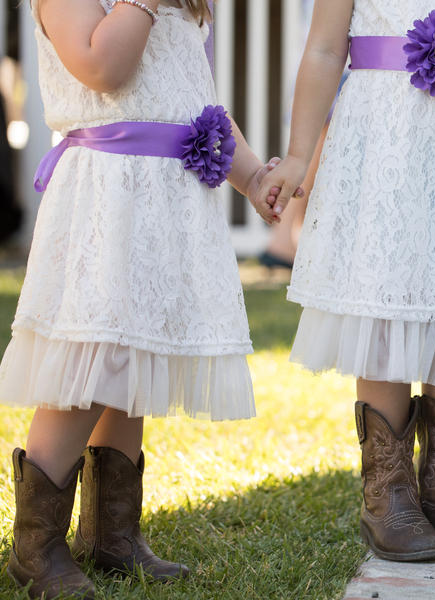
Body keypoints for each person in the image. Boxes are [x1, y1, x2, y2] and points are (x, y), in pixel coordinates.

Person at [0, 1, 281, 597]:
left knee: (133, 357)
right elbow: (104, 68)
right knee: (91, 357)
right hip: (108, 193)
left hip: (164, 203)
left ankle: (112, 533)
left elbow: (197, 108)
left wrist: (253, 176)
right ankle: (36, 543)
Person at [256, 0, 435, 562]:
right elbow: (323, 48)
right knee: (387, 298)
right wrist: (298, 154)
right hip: (386, 139)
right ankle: (387, 493)